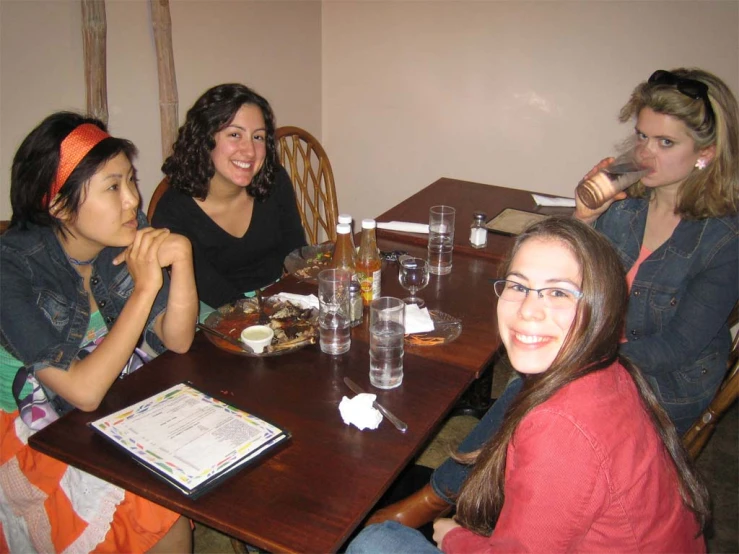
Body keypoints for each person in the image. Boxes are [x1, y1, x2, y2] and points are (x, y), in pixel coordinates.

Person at [366, 67, 738, 531]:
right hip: (598, 350)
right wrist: (585, 218)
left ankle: (438, 496)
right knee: (531, 367)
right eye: (641, 137)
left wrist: (583, 357)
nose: (644, 153)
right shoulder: (626, 210)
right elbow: (571, 276)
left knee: (535, 386)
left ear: (705, 153)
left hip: (664, 381)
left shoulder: (723, 240)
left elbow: (676, 348)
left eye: (666, 143)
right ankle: (462, 490)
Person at [349, 217, 709, 553]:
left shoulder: (560, 429)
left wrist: (457, 538)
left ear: (602, 308)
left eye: (558, 293)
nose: (528, 310)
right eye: (518, 286)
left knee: (375, 540)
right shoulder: (608, 371)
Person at [0, 112, 199, 552]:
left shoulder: (125, 230)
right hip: (33, 429)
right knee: (157, 502)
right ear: (57, 204)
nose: (133, 199)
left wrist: (181, 259)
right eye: (113, 186)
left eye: (131, 180)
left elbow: (177, 339)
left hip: (110, 400)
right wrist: (145, 288)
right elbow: (81, 391)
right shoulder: (10, 270)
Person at [152, 83, 307, 309]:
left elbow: (295, 254)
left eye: (258, 137)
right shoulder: (173, 212)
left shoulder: (274, 181)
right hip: (216, 315)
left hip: (281, 298)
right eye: (235, 134)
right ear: (205, 139)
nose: (250, 151)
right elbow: (213, 293)